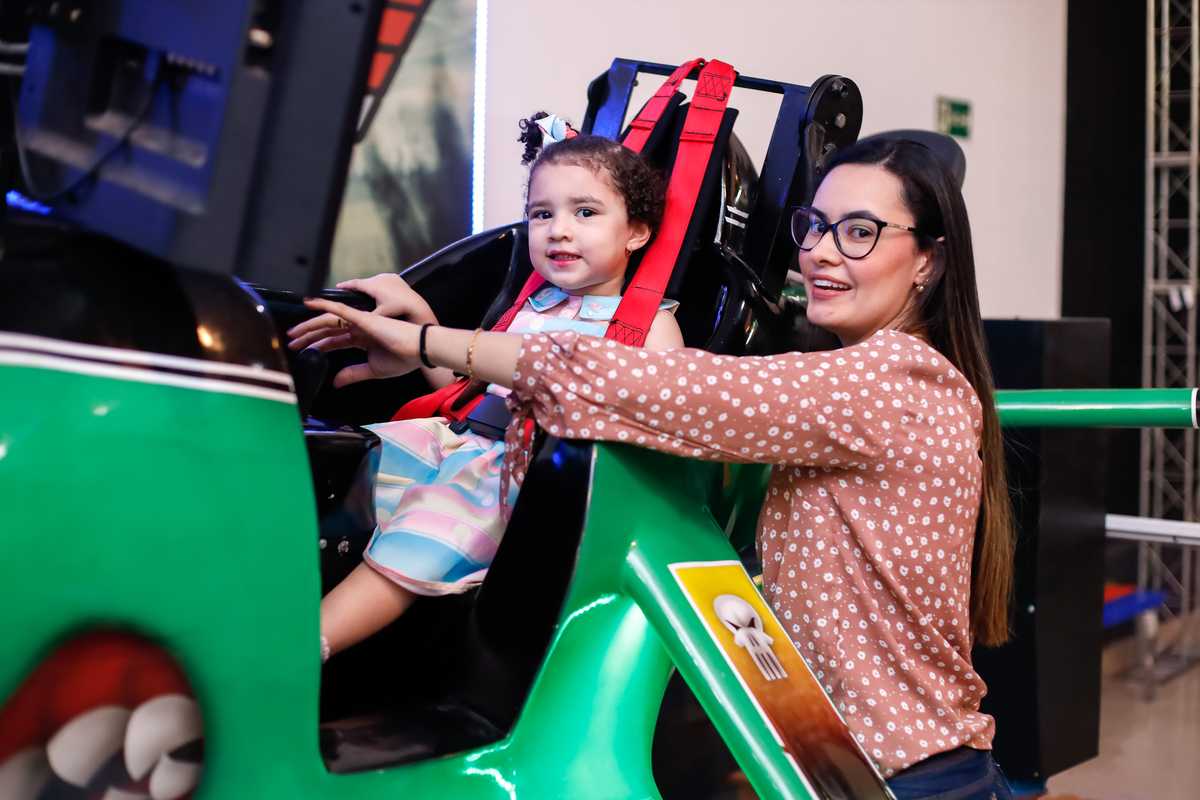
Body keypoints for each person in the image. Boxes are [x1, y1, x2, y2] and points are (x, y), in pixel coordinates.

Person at [303, 136, 1016, 799]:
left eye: (859, 232)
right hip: (834, 764)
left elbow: (646, 385)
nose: (822, 254)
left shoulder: (896, 381)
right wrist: (424, 336)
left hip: (903, 772)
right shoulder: (857, 380)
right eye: (815, 226)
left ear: (929, 261)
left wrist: (426, 338)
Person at [288, 113, 683, 662]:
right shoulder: (530, 304)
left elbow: (665, 427)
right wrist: (419, 318)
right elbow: (467, 390)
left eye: (585, 212)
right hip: (453, 439)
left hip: (522, 477)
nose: (558, 230)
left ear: (637, 231)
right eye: (541, 214)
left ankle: (298, 649)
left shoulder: (648, 326)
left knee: (424, 532)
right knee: (329, 463)